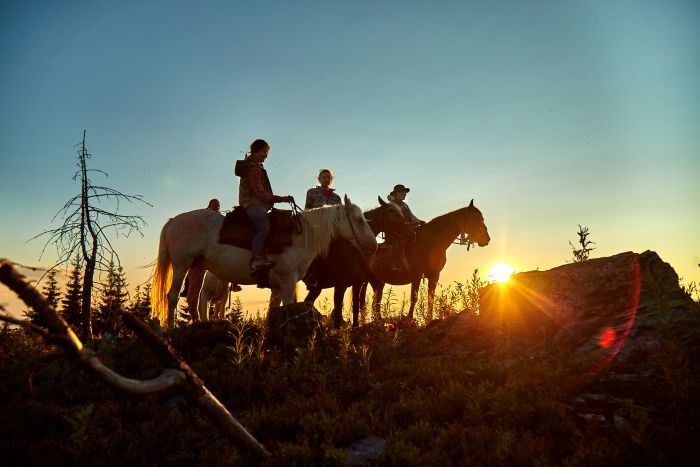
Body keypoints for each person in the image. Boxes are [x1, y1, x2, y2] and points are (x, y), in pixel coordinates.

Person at [235, 139, 294, 274]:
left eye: (267, 153)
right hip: (252, 204)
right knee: (264, 227)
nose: (265, 155)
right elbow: (260, 193)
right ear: (255, 151)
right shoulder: (253, 169)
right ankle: (256, 259)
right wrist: (282, 199)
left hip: (256, 203)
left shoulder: (254, 167)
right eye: (263, 152)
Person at [303, 169, 342, 288]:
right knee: (316, 249)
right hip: (315, 226)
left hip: (332, 229)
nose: (326, 179)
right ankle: (311, 275)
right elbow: (307, 210)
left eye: (328, 177)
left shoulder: (336, 197)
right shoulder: (312, 192)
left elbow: (339, 215)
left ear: (331, 179)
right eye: (323, 177)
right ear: (319, 179)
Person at [385, 184, 424, 273]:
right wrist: (408, 224)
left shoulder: (405, 205)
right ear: (396, 194)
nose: (404, 194)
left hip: (407, 228)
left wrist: (420, 221)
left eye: (404, 192)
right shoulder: (391, 205)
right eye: (402, 192)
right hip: (395, 230)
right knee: (403, 238)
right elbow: (391, 220)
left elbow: (411, 216)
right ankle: (395, 263)